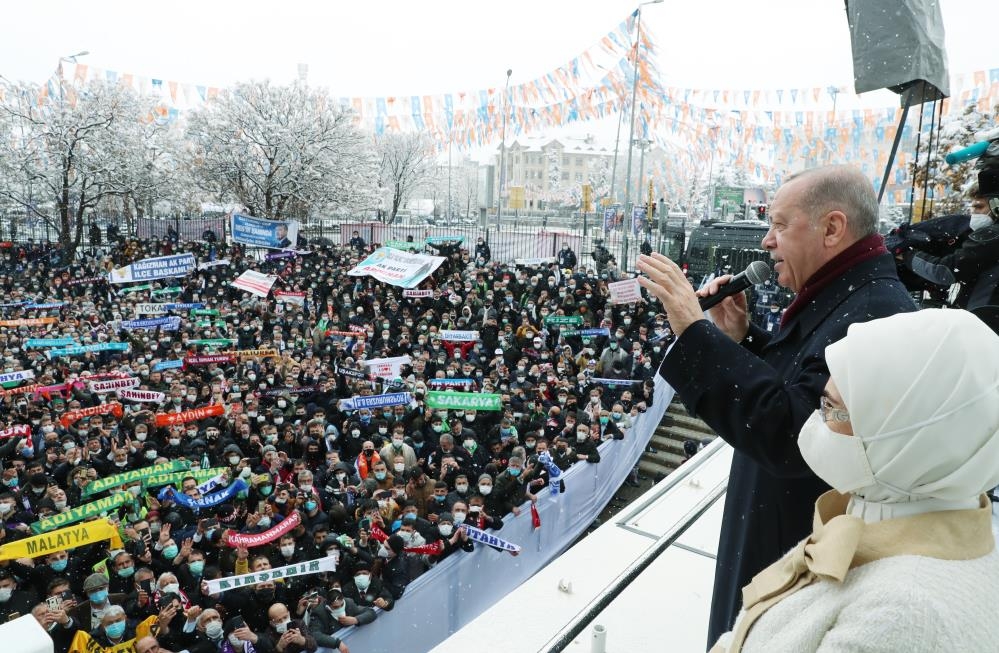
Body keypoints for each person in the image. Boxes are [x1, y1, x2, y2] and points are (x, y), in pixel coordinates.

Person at [638, 165, 916, 646]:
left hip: (793, 558)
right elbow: (802, 388)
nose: (766, 241)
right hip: (777, 538)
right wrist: (741, 340)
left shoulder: (874, 313)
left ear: (832, 228)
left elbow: (797, 436)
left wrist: (694, 331)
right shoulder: (846, 297)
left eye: (781, 225)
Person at [711, 309, 999, 652]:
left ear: (900, 436)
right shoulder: (881, 514)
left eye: (831, 408)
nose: (814, 423)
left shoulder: (902, 619)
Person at [899, 183, 999, 309]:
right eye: (972, 208)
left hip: (985, 319)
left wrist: (906, 254)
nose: (974, 213)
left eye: (979, 207)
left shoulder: (991, 236)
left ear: (997, 207)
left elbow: (945, 271)